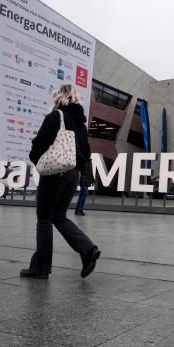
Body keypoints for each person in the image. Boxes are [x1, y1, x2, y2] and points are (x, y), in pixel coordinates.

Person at [21, 84, 100, 279]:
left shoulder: (55, 117)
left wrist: (37, 160)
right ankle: (88, 249)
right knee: (59, 216)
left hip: (55, 174)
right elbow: (86, 152)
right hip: (73, 175)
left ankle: (40, 268)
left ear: (59, 97)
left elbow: (39, 143)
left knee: (44, 218)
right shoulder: (81, 123)